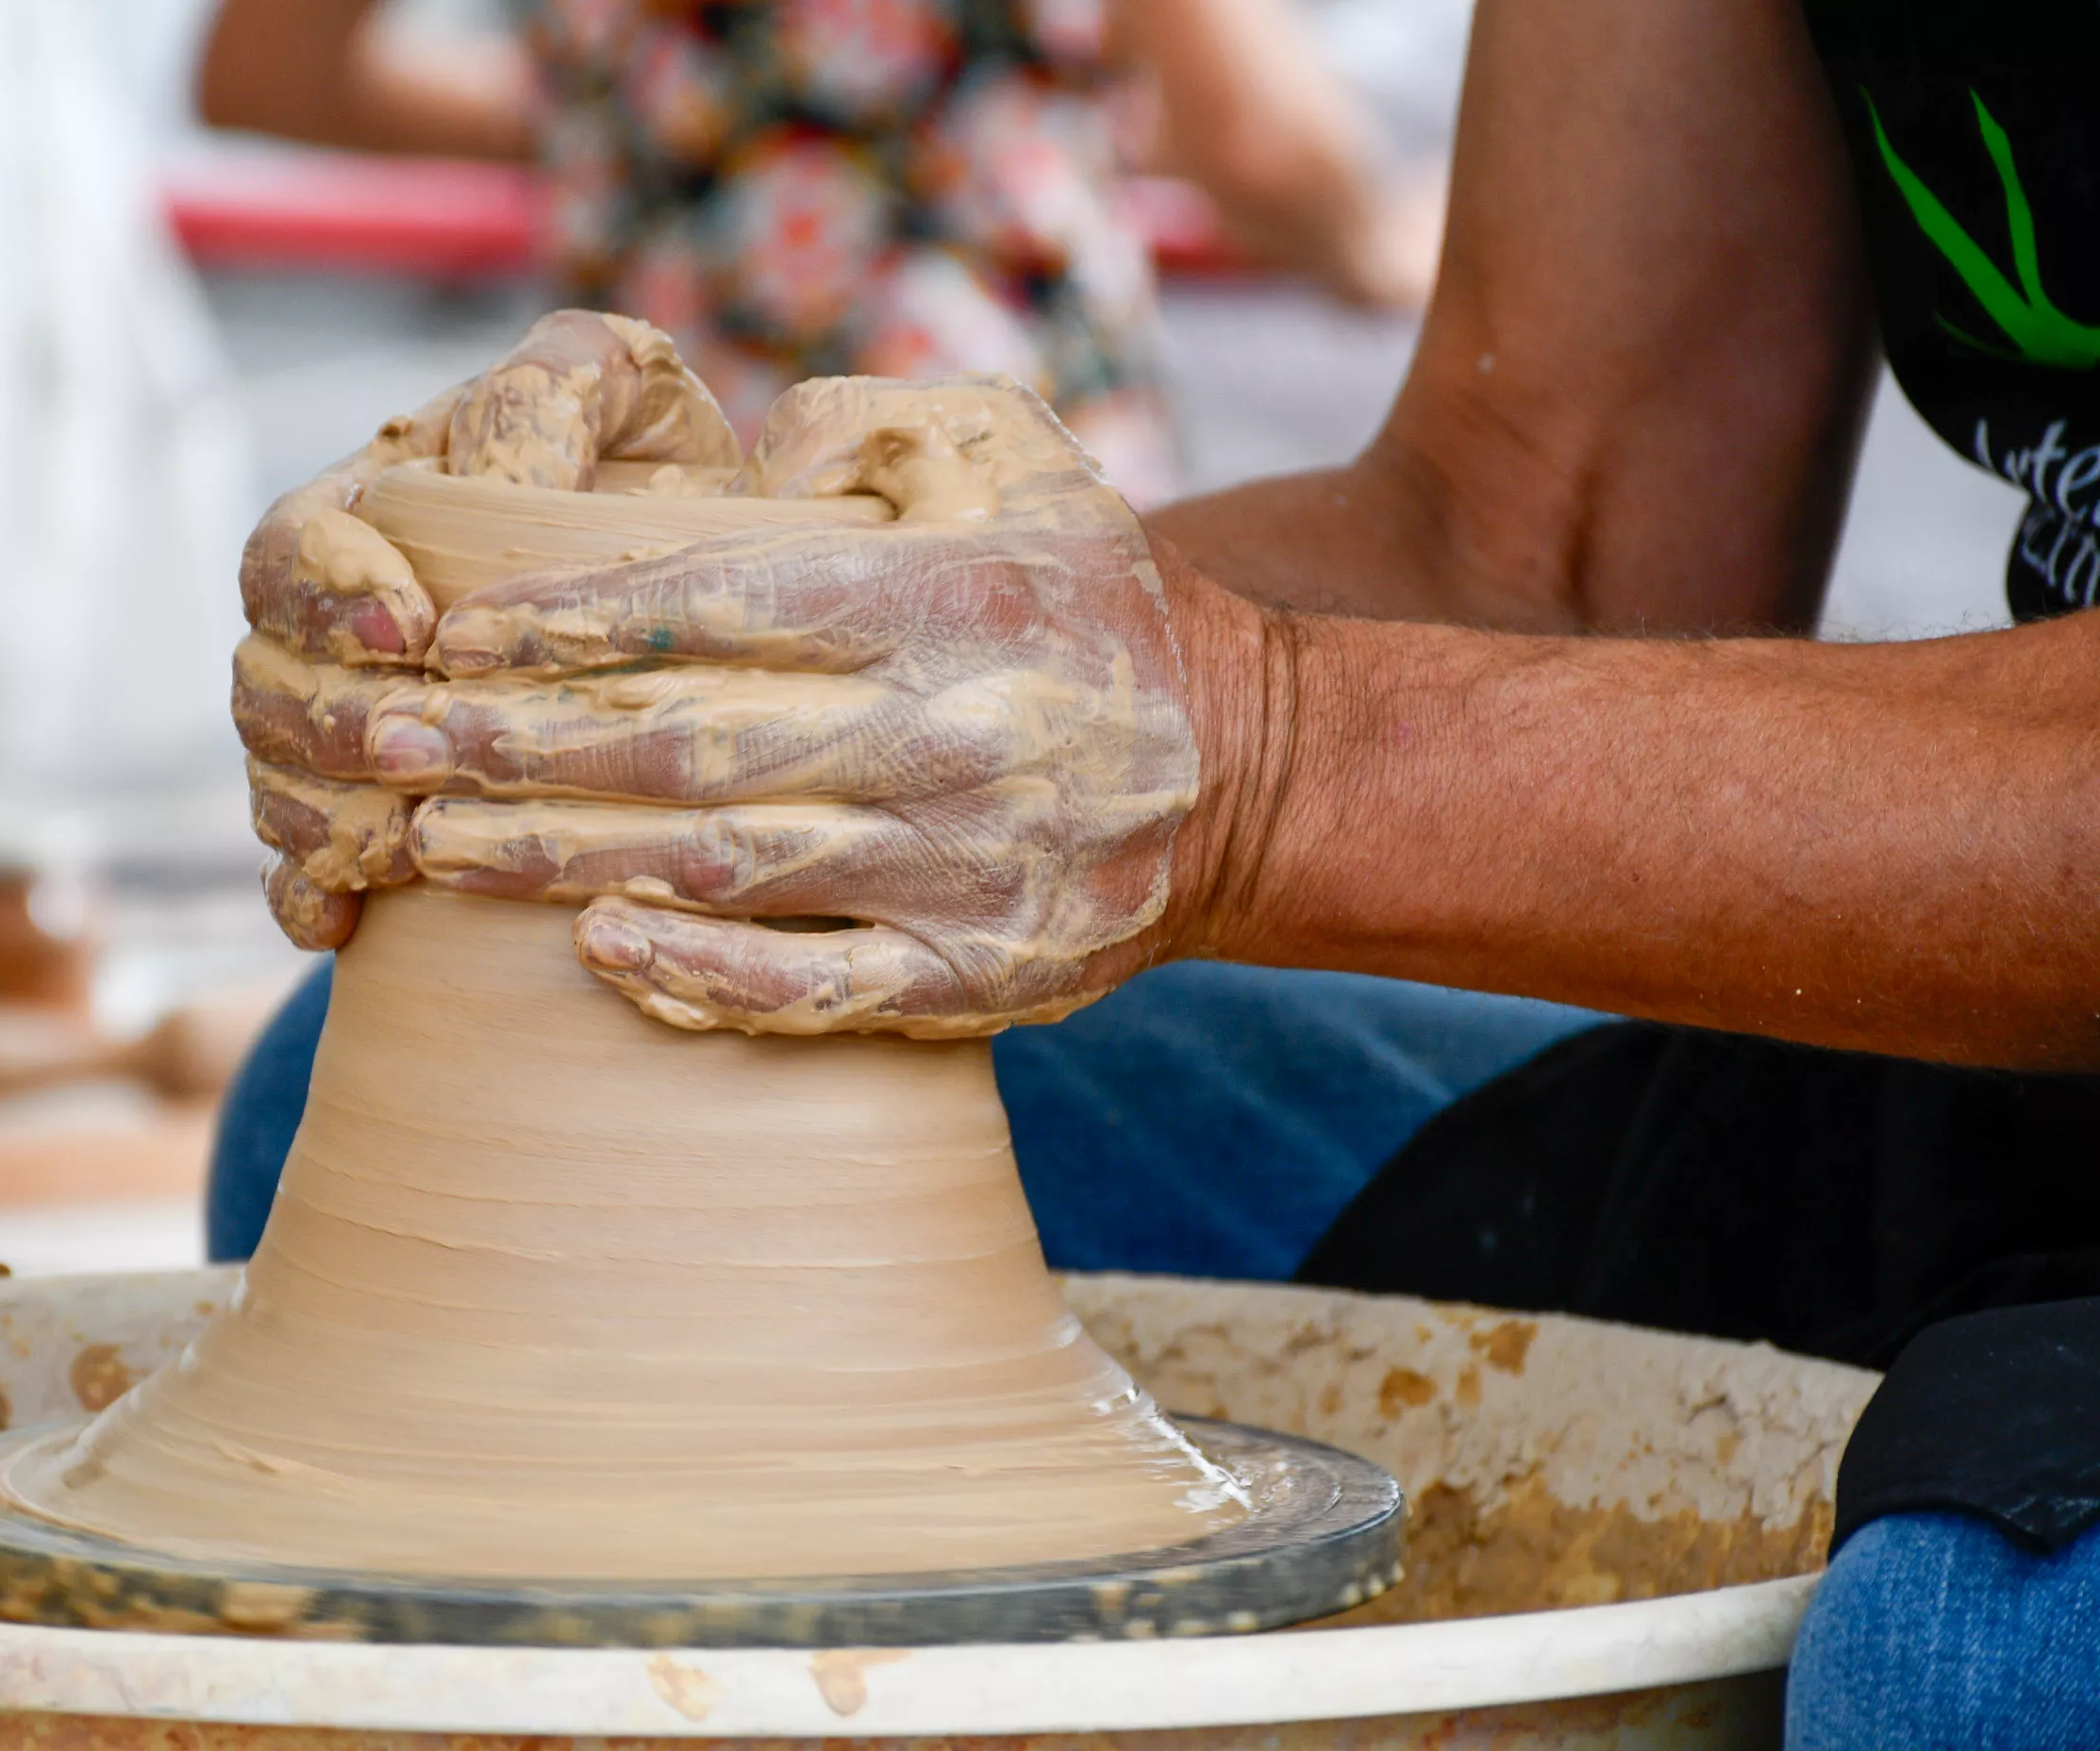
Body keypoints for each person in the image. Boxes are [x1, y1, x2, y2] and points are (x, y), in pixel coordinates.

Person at [214, 0, 2100, 1738]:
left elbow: (1277, 715)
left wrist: (1254, 750)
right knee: (517, 1121)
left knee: (1977, 1639)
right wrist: (671, 643)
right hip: (1971, 1046)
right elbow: (1548, 541)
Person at [194, 0, 1443, 498]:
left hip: (655, 503)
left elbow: (260, 75)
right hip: (980, 486)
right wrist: (1385, 237)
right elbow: (1263, 146)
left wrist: (658, 126)